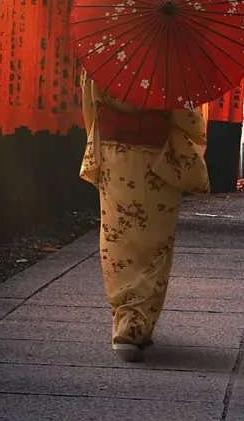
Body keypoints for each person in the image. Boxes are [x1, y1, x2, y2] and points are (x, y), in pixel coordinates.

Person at [78, 72, 211, 362]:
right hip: (157, 158)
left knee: (117, 236)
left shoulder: (101, 56)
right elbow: (187, 118)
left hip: (114, 156)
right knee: (154, 241)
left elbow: (90, 108)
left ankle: (122, 317)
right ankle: (137, 324)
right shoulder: (169, 60)